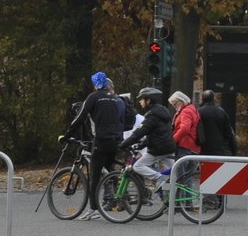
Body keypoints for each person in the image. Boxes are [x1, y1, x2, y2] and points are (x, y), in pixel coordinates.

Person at [65, 71, 127, 221]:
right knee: (109, 169)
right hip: (116, 140)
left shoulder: (94, 97)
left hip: (101, 141)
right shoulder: (115, 98)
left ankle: (93, 209)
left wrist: (67, 134)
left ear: (95, 84)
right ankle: (114, 197)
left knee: (95, 175)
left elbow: (80, 117)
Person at [125, 87, 176, 188]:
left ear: (148, 100)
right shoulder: (163, 111)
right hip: (169, 147)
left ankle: (160, 178)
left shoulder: (152, 115)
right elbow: (156, 133)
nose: (140, 102)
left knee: (137, 166)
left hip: (158, 150)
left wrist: (123, 144)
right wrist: (141, 145)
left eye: (141, 99)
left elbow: (138, 133)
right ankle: (172, 200)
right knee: (174, 176)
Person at [198, 90, 237, 157]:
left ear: (202, 99)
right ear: (214, 99)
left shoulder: (198, 112)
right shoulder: (221, 112)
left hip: (203, 149)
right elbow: (228, 132)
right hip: (220, 149)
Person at [170, 91, 200, 159]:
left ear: (181, 101)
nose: (174, 106)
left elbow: (185, 128)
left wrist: (173, 140)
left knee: (180, 169)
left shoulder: (186, 111)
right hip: (193, 146)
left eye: (175, 104)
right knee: (190, 169)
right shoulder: (192, 109)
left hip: (185, 145)